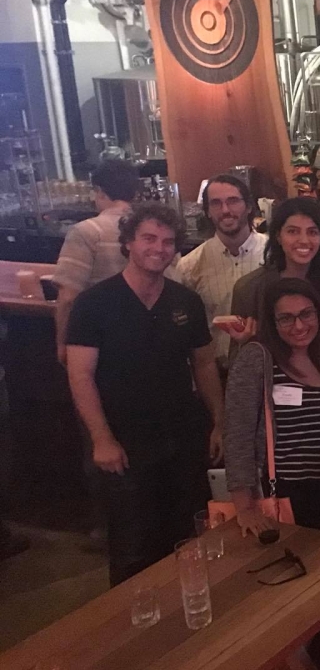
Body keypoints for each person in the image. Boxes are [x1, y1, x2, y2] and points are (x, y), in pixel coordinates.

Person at [64, 204, 223, 585]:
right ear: (128, 243)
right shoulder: (94, 304)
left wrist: (219, 422)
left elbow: (203, 365)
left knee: (187, 536)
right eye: (149, 238)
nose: (159, 248)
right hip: (124, 442)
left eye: (168, 242)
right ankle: (135, 631)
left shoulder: (185, 302)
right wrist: (101, 439)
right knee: (132, 547)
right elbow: (80, 374)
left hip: (183, 437)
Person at [224, 278, 320, 536]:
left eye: (306, 314)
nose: (299, 325)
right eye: (286, 318)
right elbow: (237, 435)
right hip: (285, 493)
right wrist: (244, 508)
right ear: (272, 322)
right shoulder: (257, 359)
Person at [229, 197, 320, 370]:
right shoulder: (250, 289)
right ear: (278, 236)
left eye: (312, 232)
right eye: (293, 231)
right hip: (275, 389)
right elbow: (236, 367)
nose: (303, 240)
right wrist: (245, 345)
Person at [176, 173, 267, 371]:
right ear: (208, 211)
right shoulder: (189, 266)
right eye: (216, 203)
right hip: (218, 372)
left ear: (249, 206)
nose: (225, 210)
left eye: (233, 201)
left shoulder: (274, 255)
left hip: (270, 366)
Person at [53, 159, 139, 366]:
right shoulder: (156, 229)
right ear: (135, 193)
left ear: (99, 191)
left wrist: (62, 344)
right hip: (150, 335)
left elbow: (68, 298)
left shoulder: (86, 232)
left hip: (102, 342)